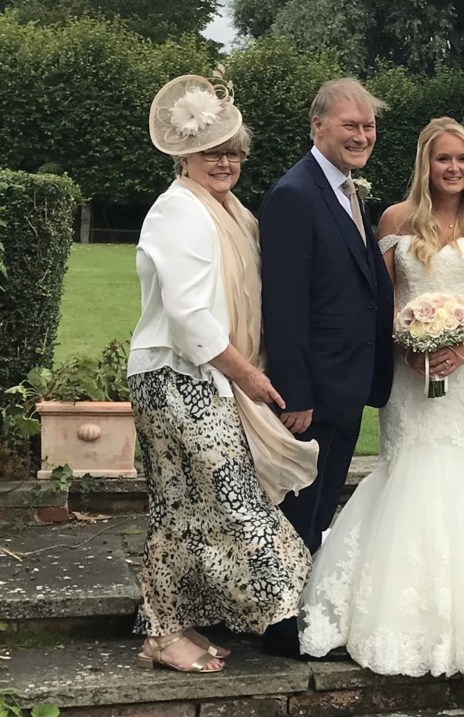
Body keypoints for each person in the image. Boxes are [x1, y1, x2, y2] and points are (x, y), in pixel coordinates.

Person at [298, 117, 464, 675]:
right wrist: (406, 342)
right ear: (426, 164)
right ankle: (388, 604)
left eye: (462, 159)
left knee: (462, 468)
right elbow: (378, 295)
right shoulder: (394, 219)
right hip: (408, 369)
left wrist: (459, 352)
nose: (453, 168)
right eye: (443, 159)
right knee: (406, 465)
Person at [129, 72, 314, 672]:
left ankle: (166, 631)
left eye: (234, 150)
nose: (226, 161)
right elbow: (188, 317)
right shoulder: (178, 211)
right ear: (185, 153)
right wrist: (250, 377)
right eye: (213, 151)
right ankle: (294, 606)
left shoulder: (227, 209)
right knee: (230, 496)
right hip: (176, 376)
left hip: (198, 377)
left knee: (180, 505)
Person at [258, 78, 395, 656]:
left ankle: (302, 611)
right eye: (350, 126)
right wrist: (295, 394)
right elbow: (285, 304)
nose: (362, 135)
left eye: (367, 126)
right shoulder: (295, 194)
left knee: (318, 508)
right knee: (298, 509)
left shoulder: (346, 191)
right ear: (318, 127)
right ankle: (281, 628)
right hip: (313, 388)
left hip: (346, 380)